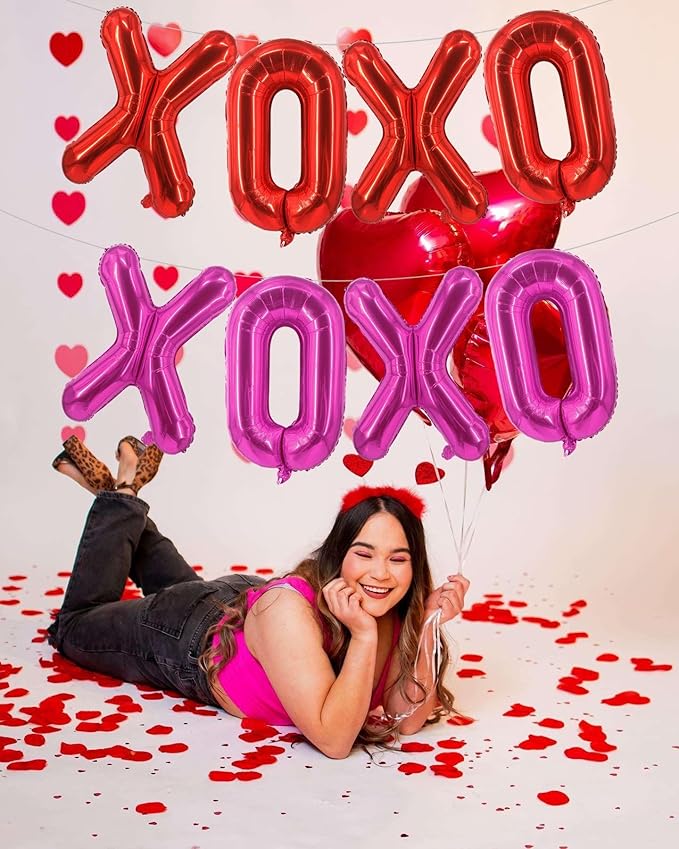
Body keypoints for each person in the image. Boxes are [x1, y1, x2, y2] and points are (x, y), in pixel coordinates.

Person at [49, 434, 471, 759]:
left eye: (398, 559)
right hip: (190, 637)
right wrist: (362, 636)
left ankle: (118, 505)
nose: (381, 573)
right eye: (364, 554)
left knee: (181, 589)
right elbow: (334, 741)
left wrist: (426, 625)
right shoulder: (294, 612)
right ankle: (122, 494)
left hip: (242, 610)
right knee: (74, 626)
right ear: (338, 556)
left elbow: (407, 719)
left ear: (415, 566)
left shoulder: (391, 607)